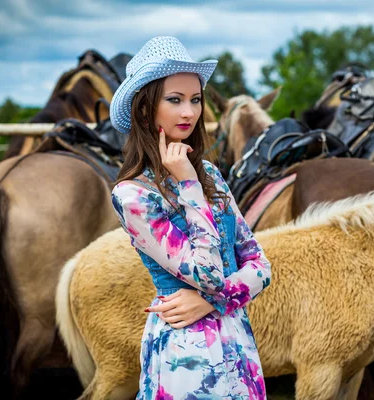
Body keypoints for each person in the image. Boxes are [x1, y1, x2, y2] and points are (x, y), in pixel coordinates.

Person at [110, 36, 270, 399]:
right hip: (187, 356)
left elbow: (261, 266)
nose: (189, 112)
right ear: (145, 109)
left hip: (237, 343)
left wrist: (214, 301)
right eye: (175, 100)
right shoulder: (133, 195)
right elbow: (208, 273)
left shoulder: (210, 174)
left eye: (195, 100)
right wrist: (187, 184)